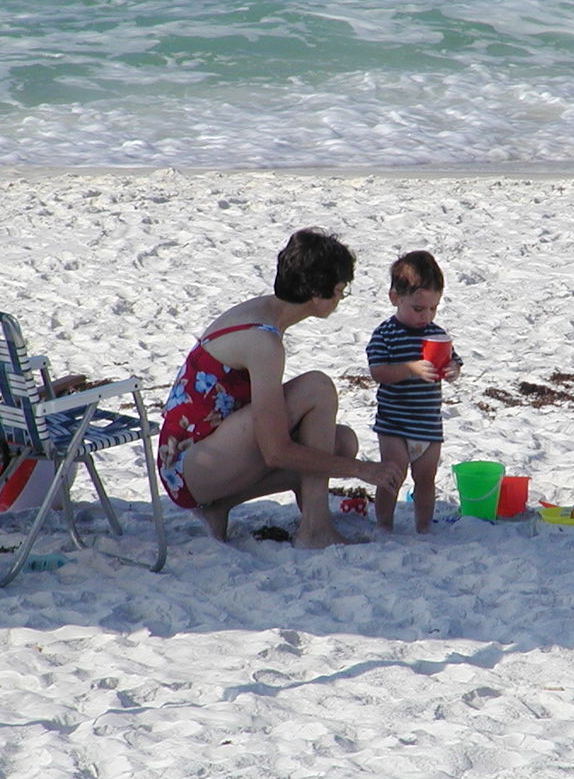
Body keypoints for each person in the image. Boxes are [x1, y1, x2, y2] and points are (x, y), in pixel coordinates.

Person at [156, 228, 402, 548]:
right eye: (341, 289)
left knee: (340, 442)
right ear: (318, 293)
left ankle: (221, 506)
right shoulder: (263, 341)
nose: (342, 296)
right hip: (188, 468)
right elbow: (275, 451)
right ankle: (315, 529)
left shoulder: (265, 312)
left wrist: (352, 464)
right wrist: (362, 470)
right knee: (317, 387)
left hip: (204, 457)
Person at [365, 250, 462, 533]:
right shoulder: (385, 334)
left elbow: (453, 361)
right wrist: (409, 368)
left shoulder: (436, 333)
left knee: (426, 480)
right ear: (395, 297)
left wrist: (454, 369)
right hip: (395, 423)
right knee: (392, 477)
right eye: (418, 309)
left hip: (428, 424)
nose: (426, 316)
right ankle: (384, 525)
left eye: (433, 308)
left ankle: (423, 528)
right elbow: (378, 372)